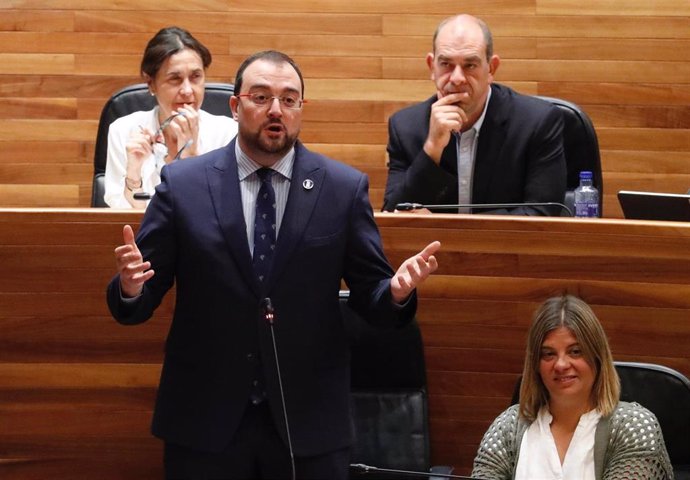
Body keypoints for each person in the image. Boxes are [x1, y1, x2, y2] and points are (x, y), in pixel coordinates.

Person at [106, 50, 440, 479]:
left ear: (302, 108)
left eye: (289, 99)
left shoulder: (341, 188)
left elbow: (371, 296)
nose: (275, 110)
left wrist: (395, 293)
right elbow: (139, 299)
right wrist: (131, 286)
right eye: (261, 97)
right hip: (205, 422)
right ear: (235, 105)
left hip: (308, 424)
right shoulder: (184, 184)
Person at [471, 295, 674, 479]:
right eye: (548, 354)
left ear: (597, 357)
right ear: (536, 365)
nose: (561, 365)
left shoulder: (634, 427)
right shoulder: (507, 428)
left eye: (575, 351)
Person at [382, 14, 566, 215]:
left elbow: (542, 215)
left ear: (491, 69)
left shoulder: (537, 122)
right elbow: (394, 218)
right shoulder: (405, 127)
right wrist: (432, 149)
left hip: (505, 247)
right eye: (446, 64)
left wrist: (448, 229)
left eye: (470, 65)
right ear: (431, 67)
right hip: (433, 247)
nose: (457, 78)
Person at [104, 26, 237, 208]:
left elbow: (223, 211)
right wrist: (134, 175)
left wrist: (191, 160)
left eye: (196, 77)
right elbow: (120, 216)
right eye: (175, 79)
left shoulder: (227, 133)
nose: (188, 90)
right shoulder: (123, 130)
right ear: (151, 84)